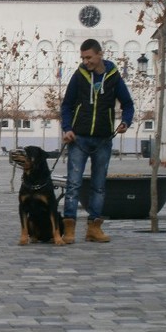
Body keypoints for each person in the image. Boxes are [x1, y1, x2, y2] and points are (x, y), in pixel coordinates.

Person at [60, 38, 134, 243]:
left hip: (103, 139)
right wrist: (67, 128)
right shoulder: (79, 76)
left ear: (100, 54)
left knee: (99, 185)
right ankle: (69, 229)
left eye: (89, 57)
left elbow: (128, 104)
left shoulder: (114, 77)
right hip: (79, 138)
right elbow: (66, 105)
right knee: (73, 184)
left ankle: (94, 227)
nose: (86, 62)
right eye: (83, 58)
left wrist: (126, 122)